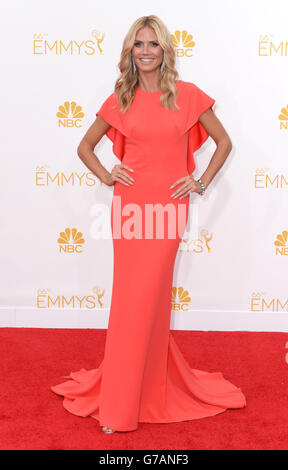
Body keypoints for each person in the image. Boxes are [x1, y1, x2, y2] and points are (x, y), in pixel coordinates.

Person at [51, 14, 246, 434]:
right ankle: (120, 402)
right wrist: (106, 174)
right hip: (130, 209)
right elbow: (85, 146)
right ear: (129, 51)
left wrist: (200, 181)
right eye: (138, 44)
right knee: (130, 302)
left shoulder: (189, 96)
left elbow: (224, 142)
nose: (144, 51)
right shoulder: (121, 98)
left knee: (150, 302)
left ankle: (144, 389)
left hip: (168, 209)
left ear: (165, 51)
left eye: (152, 44)